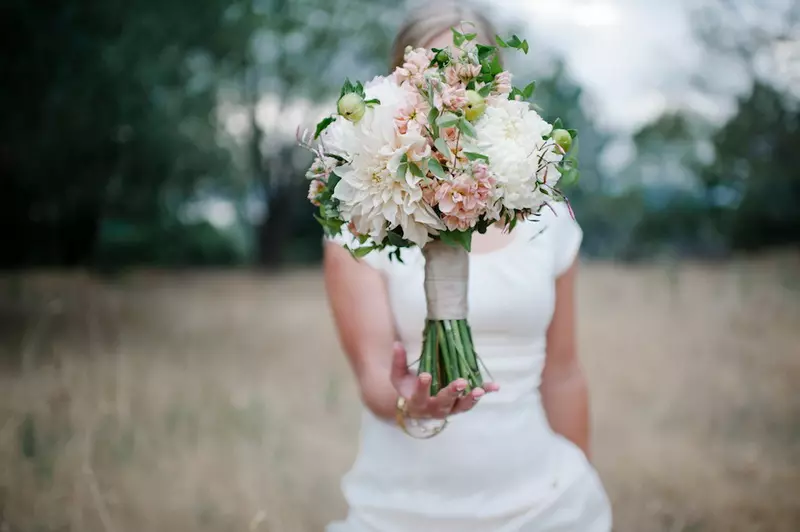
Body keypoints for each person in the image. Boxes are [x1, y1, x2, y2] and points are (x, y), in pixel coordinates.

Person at [323, 3, 612, 531]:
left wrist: (580, 484)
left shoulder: (545, 215)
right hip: (403, 508)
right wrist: (413, 403)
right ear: (393, 92)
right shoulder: (358, 223)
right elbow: (372, 377)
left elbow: (564, 372)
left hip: (543, 507)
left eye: (468, 78)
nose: (448, 98)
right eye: (429, 76)